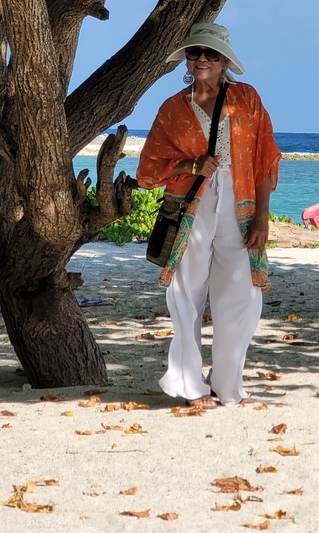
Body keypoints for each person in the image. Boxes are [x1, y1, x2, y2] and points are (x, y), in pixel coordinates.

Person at [136, 22, 281, 407]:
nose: (202, 59)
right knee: (185, 295)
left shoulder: (247, 99)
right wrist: (191, 163)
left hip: (241, 206)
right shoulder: (172, 109)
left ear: (223, 61)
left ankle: (228, 385)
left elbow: (266, 158)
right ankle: (189, 385)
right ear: (186, 58)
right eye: (195, 52)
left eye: (210, 53)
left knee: (243, 297)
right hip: (191, 210)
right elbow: (148, 169)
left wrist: (263, 217)